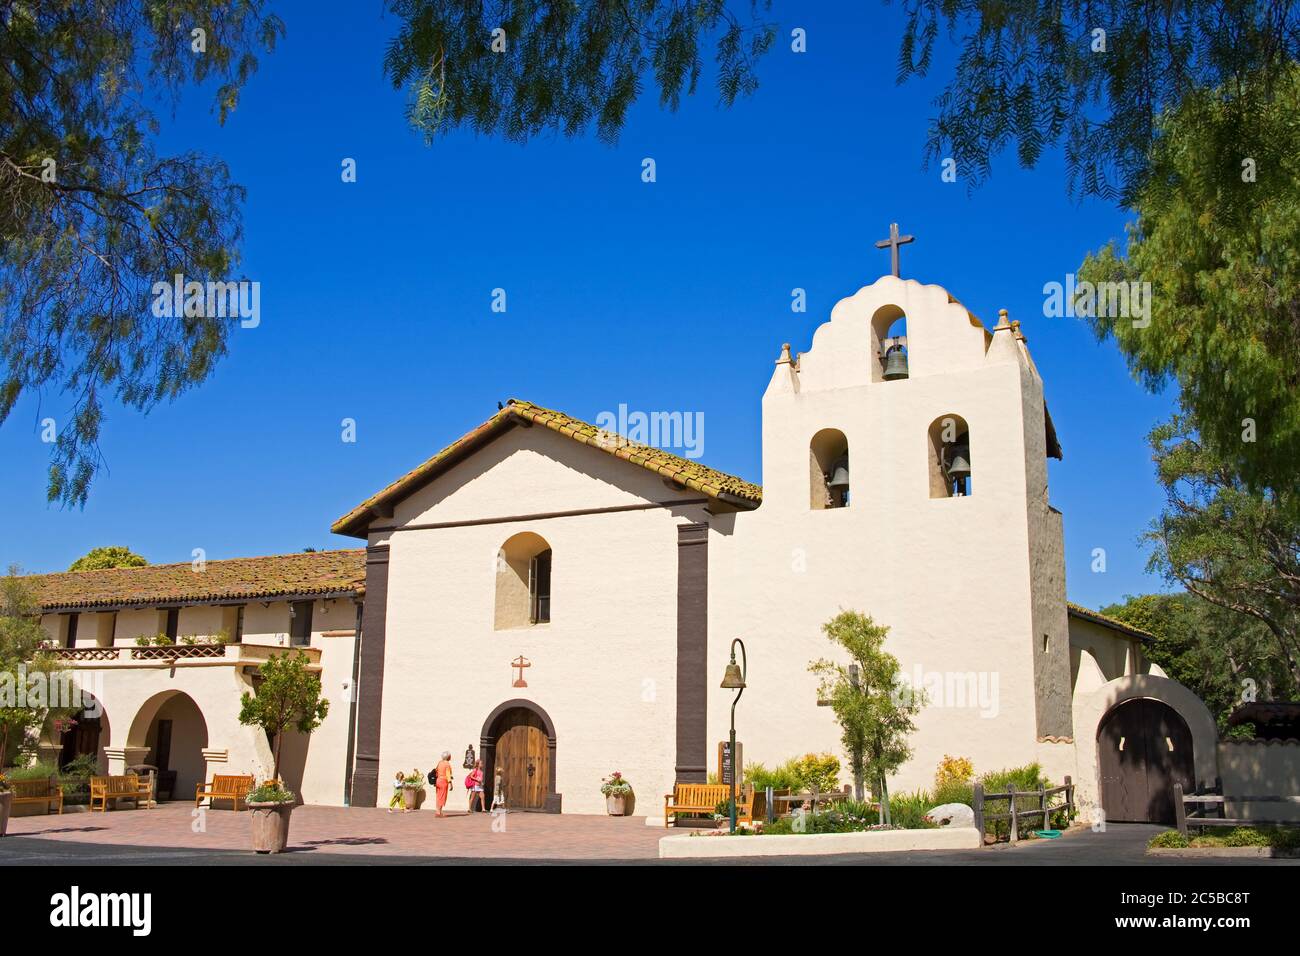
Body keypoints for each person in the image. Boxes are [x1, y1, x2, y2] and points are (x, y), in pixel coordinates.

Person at [434, 750, 454, 816]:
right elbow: (448, 774)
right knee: (442, 796)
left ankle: (438, 811)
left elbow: (436, 771)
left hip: (438, 780)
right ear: (448, 757)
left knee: (438, 796)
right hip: (443, 781)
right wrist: (450, 783)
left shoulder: (440, 762)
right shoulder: (447, 764)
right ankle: (439, 812)